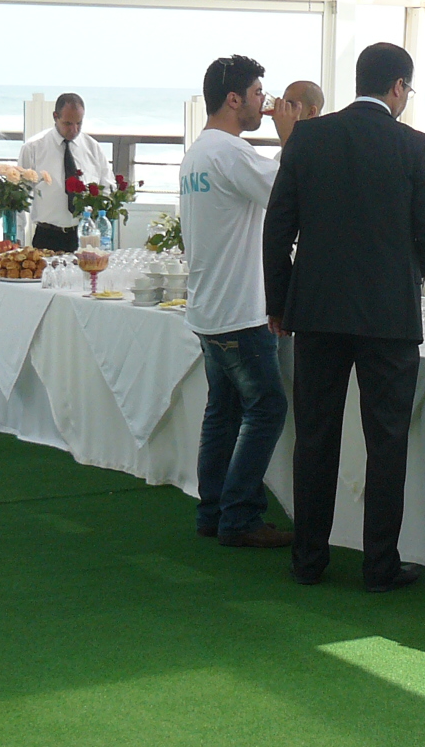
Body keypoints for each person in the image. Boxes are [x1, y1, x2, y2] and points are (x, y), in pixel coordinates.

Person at [263, 42, 425, 592]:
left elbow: (278, 228)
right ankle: (379, 566)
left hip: (317, 309)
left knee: (315, 436)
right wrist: (407, 273)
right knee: (386, 440)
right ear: (398, 87)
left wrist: (279, 302)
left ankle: (308, 559)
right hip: (388, 314)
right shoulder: (414, 145)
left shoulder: (308, 138)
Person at [180, 55, 300, 548]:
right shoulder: (231, 152)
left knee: (223, 413)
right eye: (257, 95)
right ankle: (240, 516)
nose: (264, 105)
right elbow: (289, 192)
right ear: (234, 99)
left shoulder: (199, 152)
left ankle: (213, 510)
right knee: (267, 408)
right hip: (238, 308)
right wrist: (292, 138)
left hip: (210, 305)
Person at [19, 92, 112, 252]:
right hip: (47, 235)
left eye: (79, 123)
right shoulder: (33, 148)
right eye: (68, 123)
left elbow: (108, 187)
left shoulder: (93, 148)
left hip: (85, 234)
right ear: (55, 117)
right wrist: (18, 237)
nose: (74, 130)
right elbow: (21, 195)